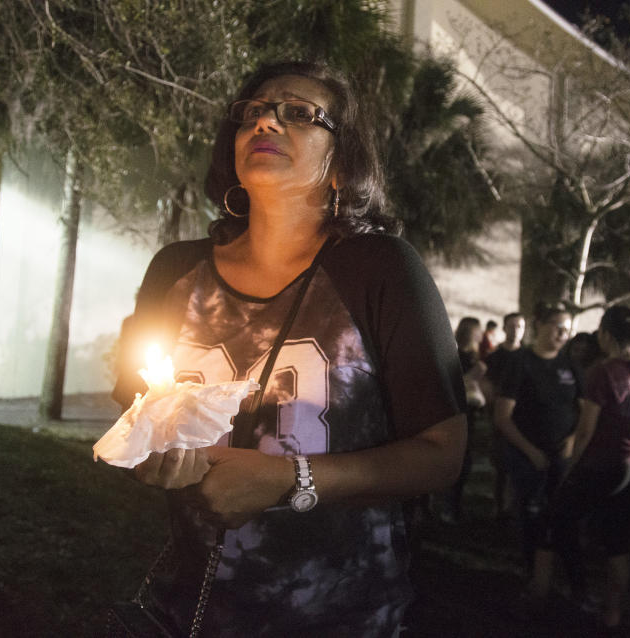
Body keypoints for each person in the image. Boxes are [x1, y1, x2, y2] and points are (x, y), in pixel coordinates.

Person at [111, 61, 466, 636]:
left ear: (340, 166)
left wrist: (290, 479)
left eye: (300, 114)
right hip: (192, 611)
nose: (266, 123)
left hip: (340, 612)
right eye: (252, 113)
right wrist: (153, 456)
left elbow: (443, 451)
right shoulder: (176, 271)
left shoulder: (381, 271)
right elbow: (136, 408)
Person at [552, 305, 630, 630]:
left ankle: (579, 591)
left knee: (559, 520)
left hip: (607, 463)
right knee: (618, 539)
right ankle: (613, 612)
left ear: (606, 335)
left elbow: (586, 430)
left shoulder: (602, 371)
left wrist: (570, 467)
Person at [493, 301, 576, 609]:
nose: (562, 334)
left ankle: (557, 578)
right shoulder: (521, 363)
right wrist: (531, 451)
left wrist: (572, 440)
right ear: (539, 325)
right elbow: (502, 417)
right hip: (527, 457)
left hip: (560, 457)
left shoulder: (568, 366)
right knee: (532, 516)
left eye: (567, 329)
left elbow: (583, 408)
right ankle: (533, 574)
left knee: (559, 518)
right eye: (557, 327)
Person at [442, 316, 486, 523]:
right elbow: (451, 383)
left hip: (471, 414)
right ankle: (446, 506)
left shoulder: (475, 356)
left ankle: (454, 505)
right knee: (454, 460)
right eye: (478, 330)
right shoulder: (454, 355)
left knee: (465, 462)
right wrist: (473, 375)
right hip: (454, 413)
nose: (481, 333)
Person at [483, 311, 525, 518]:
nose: (516, 330)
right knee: (500, 463)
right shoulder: (495, 357)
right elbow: (486, 385)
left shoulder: (527, 357)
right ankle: (499, 506)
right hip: (499, 417)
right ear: (505, 327)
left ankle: (513, 505)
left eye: (520, 326)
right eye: (512, 325)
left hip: (523, 418)